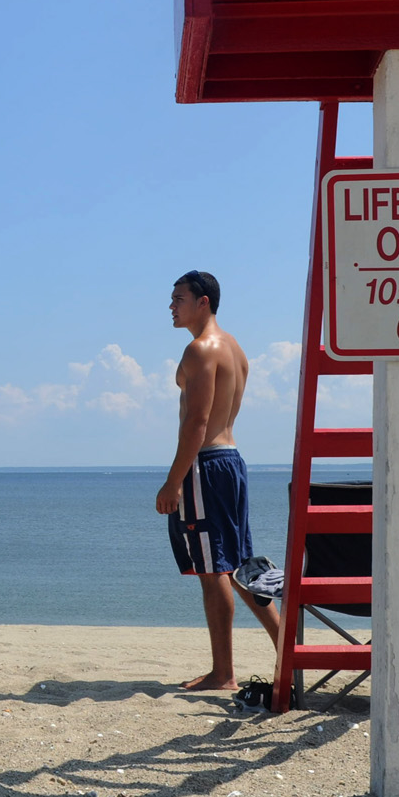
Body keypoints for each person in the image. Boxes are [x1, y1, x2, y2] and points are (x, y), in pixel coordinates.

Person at [154, 270, 279, 691]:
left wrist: (173, 481)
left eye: (179, 299)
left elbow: (197, 421)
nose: (172, 306)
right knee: (239, 566)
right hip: (231, 461)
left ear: (202, 301)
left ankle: (223, 673)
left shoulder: (200, 349)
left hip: (205, 465)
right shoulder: (235, 348)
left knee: (213, 571)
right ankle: (286, 647)